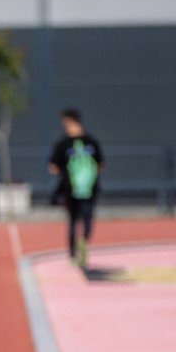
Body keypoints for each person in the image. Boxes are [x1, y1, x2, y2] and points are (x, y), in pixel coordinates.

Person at [46, 108, 105, 268]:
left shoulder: (90, 142)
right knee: (75, 220)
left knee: (85, 219)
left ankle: (80, 245)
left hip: (88, 189)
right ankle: (74, 252)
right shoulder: (63, 144)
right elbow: (53, 166)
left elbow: (100, 163)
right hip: (70, 190)